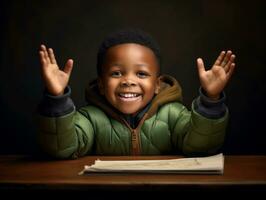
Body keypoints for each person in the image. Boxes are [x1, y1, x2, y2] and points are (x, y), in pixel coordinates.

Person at [36, 28, 236, 159]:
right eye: (116, 73)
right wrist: (57, 98)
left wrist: (210, 100)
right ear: (102, 85)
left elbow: (201, 147)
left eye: (141, 73)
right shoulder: (90, 118)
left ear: (157, 85)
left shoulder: (173, 114)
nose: (128, 81)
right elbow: (62, 149)